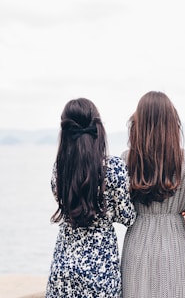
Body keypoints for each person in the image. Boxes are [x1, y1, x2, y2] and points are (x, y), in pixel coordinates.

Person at [120, 91, 185, 298]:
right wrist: (180, 210)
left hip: (138, 237)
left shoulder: (126, 159)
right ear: (172, 122)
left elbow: (120, 207)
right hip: (174, 241)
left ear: (138, 121)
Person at [46, 98, 136, 298]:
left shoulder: (59, 169)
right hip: (101, 272)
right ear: (98, 129)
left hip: (63, 268)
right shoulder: (114, 168)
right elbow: (128, 217)